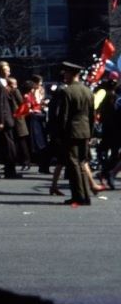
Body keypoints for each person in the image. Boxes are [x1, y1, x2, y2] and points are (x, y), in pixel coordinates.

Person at [54, 61, 95, 206]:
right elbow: (92, 115)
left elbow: (63, 116)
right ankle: (85, 196)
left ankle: (78, 196)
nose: (64, 75)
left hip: (71, 132)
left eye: (66, 72)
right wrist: (91, 133)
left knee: (73, 164)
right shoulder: (88, 91)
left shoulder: (67, 91)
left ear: (72, 74)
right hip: (85, 131)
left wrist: (59, 134)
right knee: (82, 163)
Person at [0, 61, 20, 179]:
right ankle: (9, 171)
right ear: (1, 70)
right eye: (7, 70)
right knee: (8, 146)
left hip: (8, 118)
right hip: (5, 120)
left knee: (8, 145)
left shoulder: (4, 84)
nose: (9, 72)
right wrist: (0, 121)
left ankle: (9, 169)